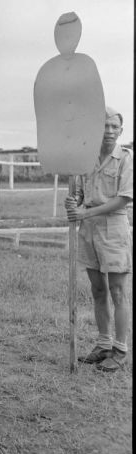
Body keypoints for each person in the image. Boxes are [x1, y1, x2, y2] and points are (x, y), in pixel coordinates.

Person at [64, 106, 133, 373]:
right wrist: (72, 202)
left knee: (117, 291)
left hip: (114, 227)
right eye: (105, 126)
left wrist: (85, 211)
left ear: (121, 131)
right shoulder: (86, 158)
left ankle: (120, 349)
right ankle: (103, 345)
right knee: (97, 289)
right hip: (89, 229)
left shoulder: (127, 158)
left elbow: (124, 198)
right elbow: (79, 196)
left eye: (114, 127)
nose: (109, 131)